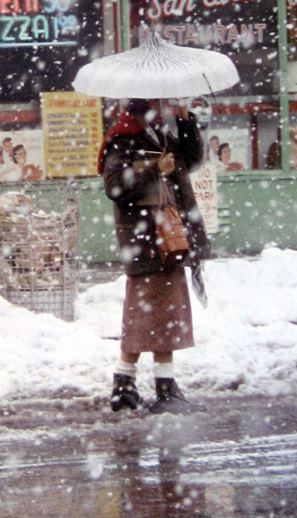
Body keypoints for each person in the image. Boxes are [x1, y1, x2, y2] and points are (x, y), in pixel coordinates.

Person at [99, 97, 210, 415]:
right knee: (150, 315)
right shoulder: (122, 138)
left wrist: (186, 119)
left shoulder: (155, 133)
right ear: (145, 104)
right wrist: (153, 171)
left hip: (165, 236)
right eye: (162, 102)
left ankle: (138, 385)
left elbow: (189, 159)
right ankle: (147, 388)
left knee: (159, 314)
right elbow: (115, 186)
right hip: (146, 238)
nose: (166, 107)